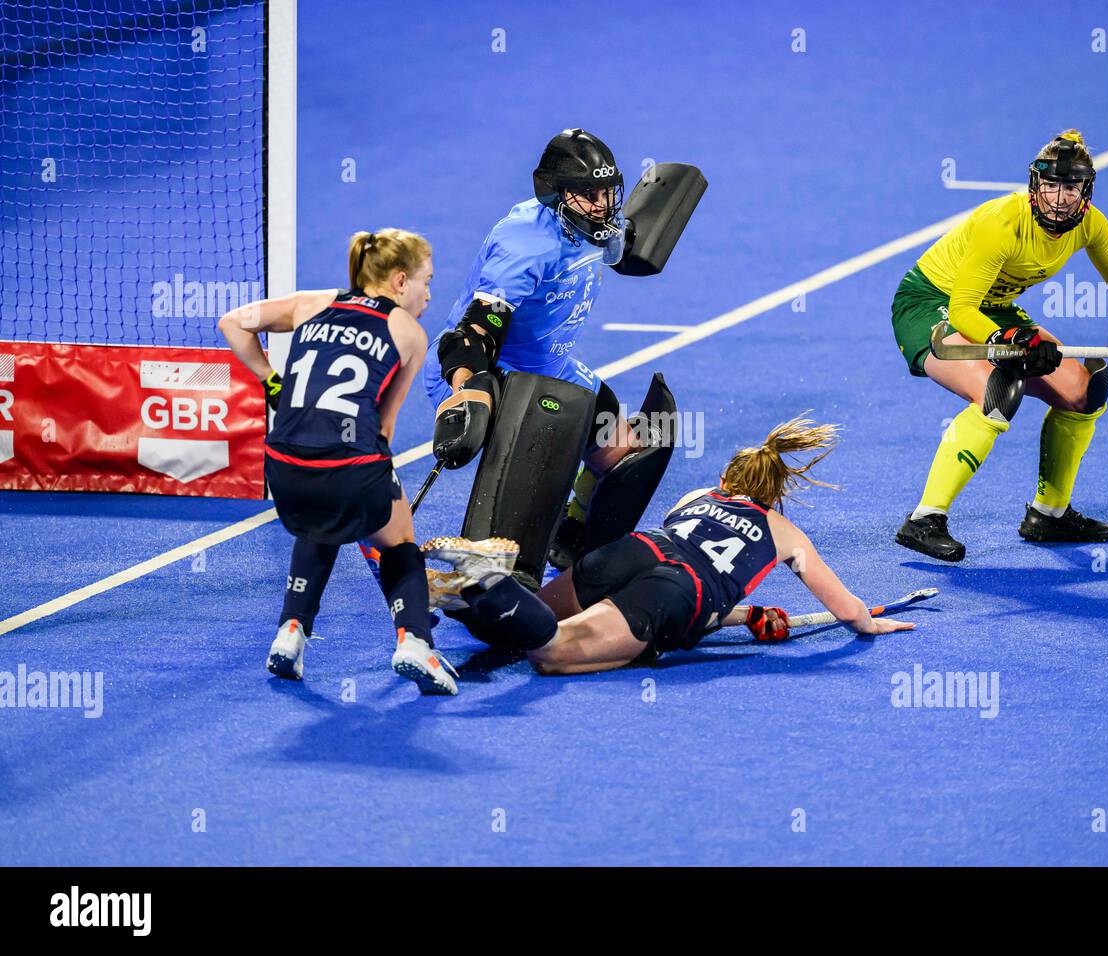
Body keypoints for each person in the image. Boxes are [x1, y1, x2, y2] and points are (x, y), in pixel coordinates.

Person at [422, 416, 914, 674]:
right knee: (547, 653)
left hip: (635, 550)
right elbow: (846, 609)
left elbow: (666, 565)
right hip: (678, 588)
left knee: (516, 627)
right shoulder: (784, 534)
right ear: (774, 494)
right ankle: (489, 579)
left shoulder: (698, 496)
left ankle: (472, 590)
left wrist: (747, 615)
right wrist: (869, 622)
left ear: (726, 479)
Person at [889, 130, 1108, 562]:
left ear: (1087, 191)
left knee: (1086, 387)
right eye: (1051, 186)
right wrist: (1009, 342)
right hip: (933, 304)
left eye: (1071, 187)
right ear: (1034, 186)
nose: (1060, 198)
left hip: (994, 308)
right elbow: (964, 310)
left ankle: (1049, 514)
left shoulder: (1091, 225)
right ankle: (925, 518)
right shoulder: (1001, 223)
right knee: (998, 387)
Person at [218, 228, 460, 695]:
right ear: (399, 280)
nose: (430, 294)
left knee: (324, 521)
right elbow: (383, 431)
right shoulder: (409, 334)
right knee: (399, 540)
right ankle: (414, 641)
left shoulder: (312, 303)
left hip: (282, 469)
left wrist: (273, 383)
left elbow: (233, 323)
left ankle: (291, 632)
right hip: (350, 467)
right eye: (426, 282)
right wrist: (385, 500)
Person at [424, 128, 642, 566]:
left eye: (606, 190)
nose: (602, 203)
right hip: (498, 374)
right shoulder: (524, 246)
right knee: (535, 478)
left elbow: (625, 251)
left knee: (624, 460)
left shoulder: (595, 224)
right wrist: (466, 393)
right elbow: (475, 334)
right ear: (556, 194)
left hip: (552, 368)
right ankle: (487, 575)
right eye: (587, 193)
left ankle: (573, 538)